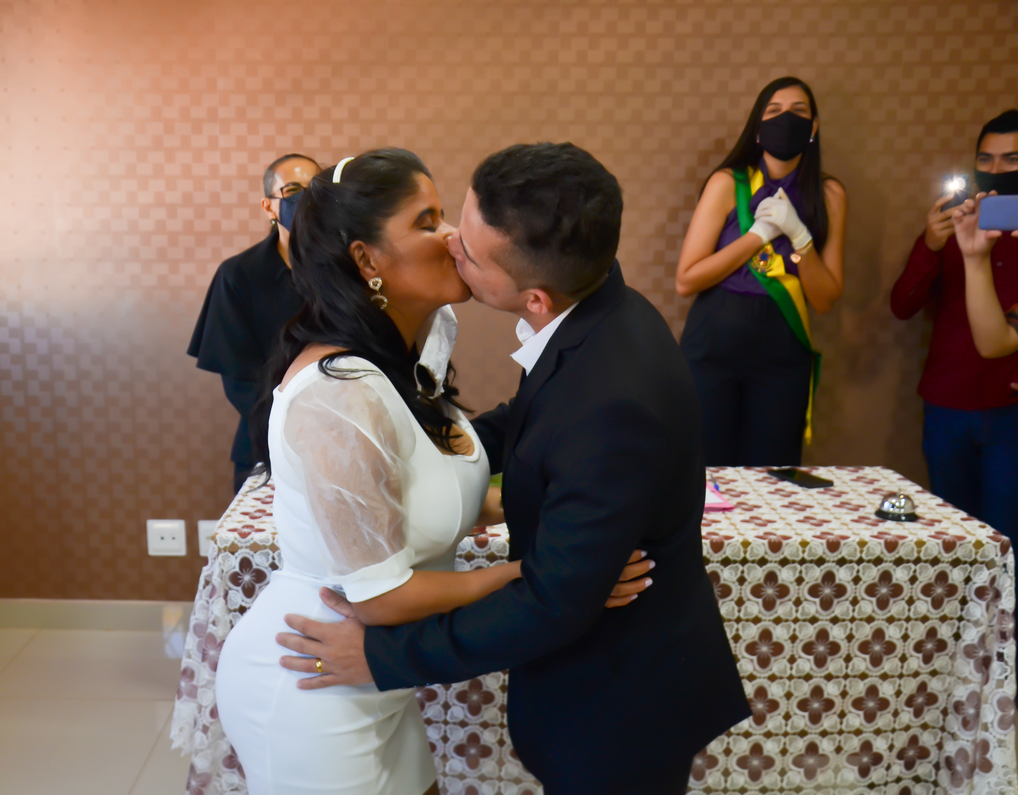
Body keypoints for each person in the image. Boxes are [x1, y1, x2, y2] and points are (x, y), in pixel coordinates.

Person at [276, 143, 750, 795]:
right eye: (440, 222)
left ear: (533, 296)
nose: (452, 243)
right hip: (310, 666)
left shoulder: (613, 393)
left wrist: (381, 657)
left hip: (620, 705)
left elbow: (554, 599)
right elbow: (532, 426)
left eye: (469, 249)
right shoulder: (597, 308)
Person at [214, 148, 653, 795]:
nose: (453, 237)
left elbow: (436, 491)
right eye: (427, 221)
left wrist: (568, 523)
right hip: (313, 674)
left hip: (376, 675)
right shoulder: (339, 396)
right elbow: (380, 595)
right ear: (367, 260)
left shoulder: (413, 346)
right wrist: (550, 575)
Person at [675, 76, 847, 466]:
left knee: (773, 473)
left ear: (814, 127)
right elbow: (686, 280)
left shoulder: (830, 195)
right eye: (774, 111)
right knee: (705, 471)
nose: (786, 119)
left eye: (798, 111)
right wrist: (758, 236)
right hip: (712, 347)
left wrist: (800, 237)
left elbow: (825, 300)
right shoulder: (727, 183)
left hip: (782, 354)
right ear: (757, 126)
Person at [891, 110, 1018, 541]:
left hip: (1010, 408)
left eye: (1011, 159)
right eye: (985, 159)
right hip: (948, 402)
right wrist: (930, 244)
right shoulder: (957, 224)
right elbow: (902, 306)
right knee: (955, 537)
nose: (996, 169)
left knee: (1006, 538)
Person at [187, 153, 321, 492]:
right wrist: (297, 427)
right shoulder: (238, 275)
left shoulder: (349, 270)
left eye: (315, 189)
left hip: (344, 439)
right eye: (293, 190)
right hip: (266, 446)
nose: (306, 199)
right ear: (269, 207)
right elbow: (239, 382)